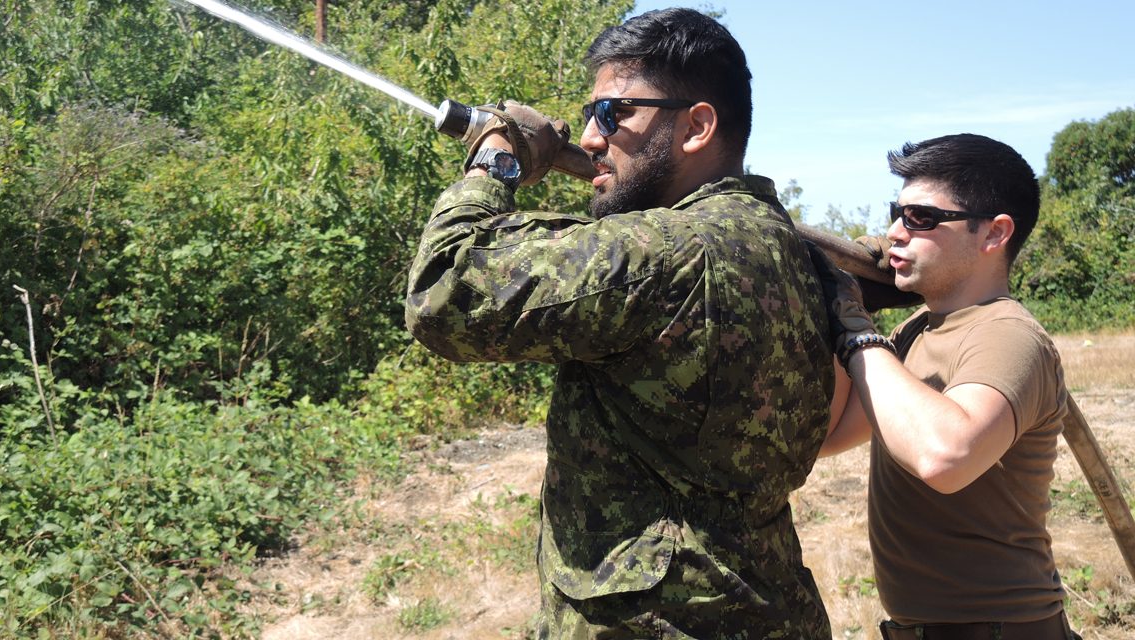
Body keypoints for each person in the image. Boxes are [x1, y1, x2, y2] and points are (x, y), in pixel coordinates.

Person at [405, 8, 834, 638]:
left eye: (613, 114)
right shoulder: (781, 246)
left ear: (697, 126)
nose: (588, 138)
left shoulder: (666, 252)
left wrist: (497, 155)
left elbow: (447, 292)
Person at [819, 133, 1080, 639]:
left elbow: (946, 458)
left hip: (1000, 629)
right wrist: (835, 321)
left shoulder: (1006, 334)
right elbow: (833, 436)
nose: (895, 232)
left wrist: (857, 333)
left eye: (921, 218)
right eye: (896, 213)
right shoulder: (915, 329)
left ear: (993, 234)